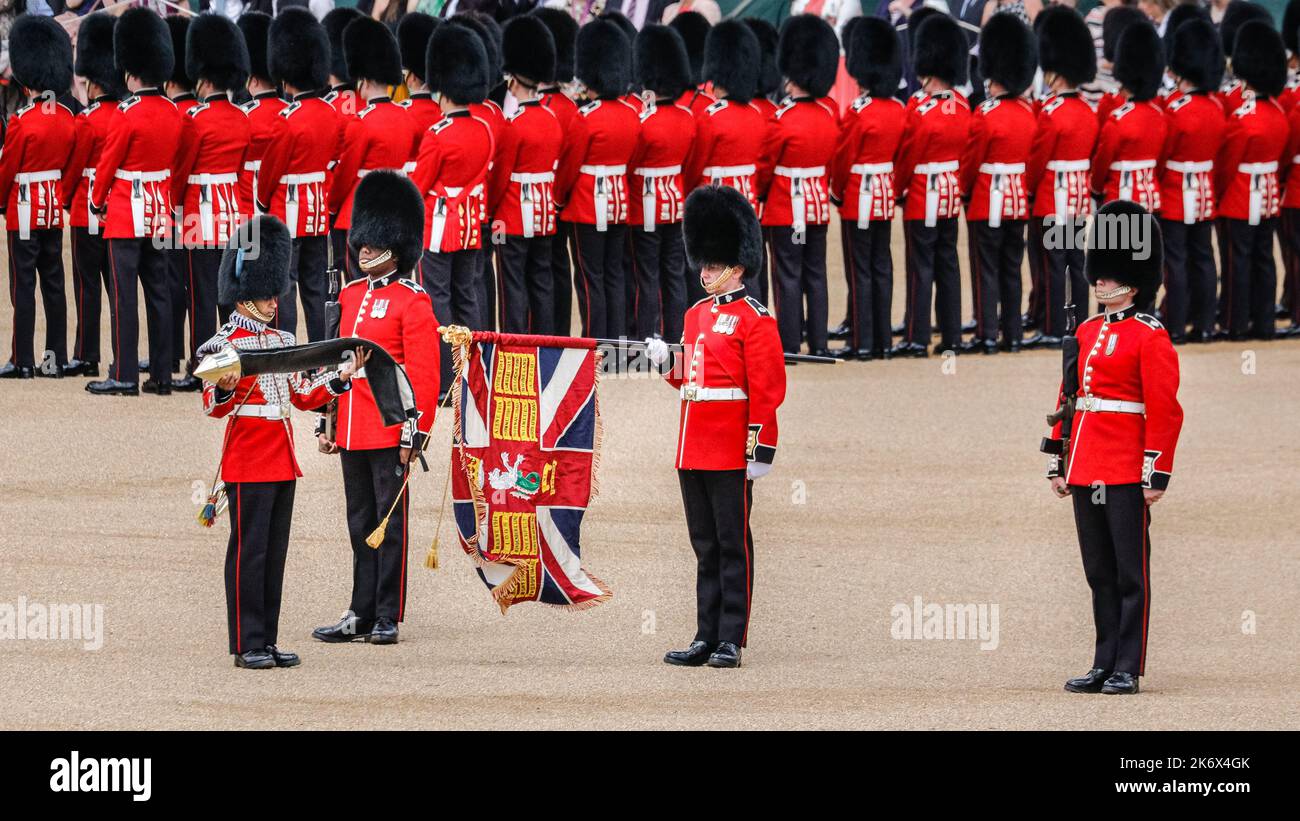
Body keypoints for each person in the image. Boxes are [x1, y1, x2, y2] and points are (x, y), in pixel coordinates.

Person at [200, 215, 360, 670]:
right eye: (268, 294)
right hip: (248, 458)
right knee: (249, 555)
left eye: (276, 293)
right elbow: (213, 406)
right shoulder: (222, 344)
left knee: (274, 555)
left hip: (282, 459)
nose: (275, 301)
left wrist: (340, 379)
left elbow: (302, 396)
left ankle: (266, 638)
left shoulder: (284, 340)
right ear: (244, 295)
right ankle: (246, 641)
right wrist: (229, 387)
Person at [1043, 199, 1183, 696]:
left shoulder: (1150, 336)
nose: (1098, 282)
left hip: (1125, 467)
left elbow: (1165, 410)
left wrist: (1155, 473)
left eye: (1107, 275)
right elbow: (1069, 399)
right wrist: (1058, 462)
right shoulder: (1084, 331)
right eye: (1097, 274)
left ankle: (1129, 664)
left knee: (1130, 574)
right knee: (1099, 573)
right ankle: (1103, 661)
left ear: (1133, 279)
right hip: (1086, 465)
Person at [646, 185, 786, 670]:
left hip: (729, 447)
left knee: (732, 544)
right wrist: (667, 361)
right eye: (702, 264)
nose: (704, 273)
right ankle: (705, 634)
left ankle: (732, 637)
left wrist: (759, 449)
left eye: (713, 265)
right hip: (693, 446)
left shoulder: (756, 320)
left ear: (737, 265)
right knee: (704, 545)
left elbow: (767, 391)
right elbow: (690, 379)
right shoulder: (694, 315)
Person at [313, 171, 439, 646]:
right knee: (359, 521)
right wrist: (326, 421)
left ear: (395, 244)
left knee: (389, 525)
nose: (363, 250)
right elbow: (335, 363)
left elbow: (424, 378)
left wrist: (414, 436)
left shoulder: (413, 302)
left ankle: (388, 613)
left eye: (373, 243)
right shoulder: (347, 296)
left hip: (389, 428)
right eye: (361, 243)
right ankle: (359, 610)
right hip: (351, 425)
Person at [86, 7, 184, 397]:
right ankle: (161, 374)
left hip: (127, 212)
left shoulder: (127, 114)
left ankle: (125, 374)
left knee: (124, 297)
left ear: (130, 71)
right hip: (159, 212)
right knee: (159, 293)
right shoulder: (173, 113)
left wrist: (96, 202)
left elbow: (108, 164)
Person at [171, 13, 253, 392]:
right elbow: (240, 172)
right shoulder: (241, 118)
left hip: (199, 217)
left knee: (201, 295)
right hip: (232, 215)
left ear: (202, 78)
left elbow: (181, 171)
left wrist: (174, 209)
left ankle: (202, 366)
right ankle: (230, 360)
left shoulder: (195, 119)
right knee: (228, 296)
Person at [411, 22, 493, 396]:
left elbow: (419, 187)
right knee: (468, 296)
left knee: (438, 298)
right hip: (470, 224)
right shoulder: (484, 130)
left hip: (441, 226)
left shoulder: (438, 134)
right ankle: (474, 375)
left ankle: (446, 379)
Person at [258, 7, 345, 345]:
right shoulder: (330, 114)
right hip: (317, 211)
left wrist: (263, 201)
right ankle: (321, 352)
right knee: (316, 287)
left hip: (287, 210)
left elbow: (271, 171)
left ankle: (288, 350)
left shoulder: (287, 118)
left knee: (286, 284)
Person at [756, 14, 840, 357]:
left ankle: (790, 343)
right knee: (815, 274)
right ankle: (818, 343)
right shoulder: (829, 115)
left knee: (787, 276)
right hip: (816, 207)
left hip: (786, 210)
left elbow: (765, 168)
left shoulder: (782, 120)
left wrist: (760, 195)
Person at [553, 17, 639, 340]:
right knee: (614, 274)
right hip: (618, 203)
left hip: (588, 204)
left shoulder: (585, 118)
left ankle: (595, 341)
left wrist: (559, 199)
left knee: (590, 278)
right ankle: (617, 341)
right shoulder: (631, 115)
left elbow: (569, 167)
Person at [891, 12, 970, 358]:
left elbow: (907, 157)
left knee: (920, 267)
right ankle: (952, 335)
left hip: (923, 195)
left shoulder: (919, 109)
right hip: (950, 196)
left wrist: (898, 190)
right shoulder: (964, 107)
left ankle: (917, 335)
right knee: (948, 264)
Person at [0, 15, 75, 381]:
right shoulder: (65, 117)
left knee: (23, 286)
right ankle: (55, 358)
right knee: (54, 285)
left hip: (25, 209)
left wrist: (1, 202)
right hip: (52, 209)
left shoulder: (22, 121)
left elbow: (7, 169)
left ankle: (23, 360)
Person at [960, 12, 1037, 356]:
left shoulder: (986, 114)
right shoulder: (1029, 113)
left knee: (986, 269)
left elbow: (971, 162)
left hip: (988, 199)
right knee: (1012, 268)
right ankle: (1014, 334)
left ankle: (987, 333)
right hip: (1018, 200)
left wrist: (964, 192)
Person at [829, 16, 905, 361]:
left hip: (859, 197)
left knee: (860, 270)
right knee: (882, 266)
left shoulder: (859, 112)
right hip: (885, 197)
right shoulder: (898, 110)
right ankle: (884, 340)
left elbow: (843, 160)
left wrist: (838, 192)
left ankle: (862, 341)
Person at [1023, 5, 1098, 350]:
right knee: (1076, 261)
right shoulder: (1087, 110)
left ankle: (1054, 327)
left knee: (1054, 264)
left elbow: (1037, 161)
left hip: (1053, 194)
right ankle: (1078, 322)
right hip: (1079, 195)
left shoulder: (1051, 114)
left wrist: (1027, 190)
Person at [489, 14, 564, 335]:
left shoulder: (514, 125)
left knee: (512, 284)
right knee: (541, 280)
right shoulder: (552, 119)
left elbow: (500, 179)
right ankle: (544, 342)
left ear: (513, 81)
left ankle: (515, 342)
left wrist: (490, 212)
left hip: (512, 217)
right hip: (544, 214)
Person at [328, 15, 420, 278]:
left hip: (359, 211)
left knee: (359, 285)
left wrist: (332, 205)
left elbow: (346, 173)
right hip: (396, 209)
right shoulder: (406, 117)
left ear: (364, 81)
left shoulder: (361, 122)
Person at [1215, 21, 1288, 341]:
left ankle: (1236, 323)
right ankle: (1265, 322)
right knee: (1265, 260)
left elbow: (1227, 166)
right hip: (1270, 195)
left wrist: (1218, 195)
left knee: (1237, 263)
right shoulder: (1278, 113)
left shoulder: (1243, 119)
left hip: (1241, 196)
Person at [61, 12, 123, 380]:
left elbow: (73, 167)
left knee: (87, 287)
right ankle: (121, 356)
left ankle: (87, 354)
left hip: (87, 210)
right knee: (116, 290)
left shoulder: (87, 120)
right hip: (117, 210)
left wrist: (67, 199)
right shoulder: (124, 115)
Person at [1089, 18, 1166, 308]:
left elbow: (1101, 165)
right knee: (1143, 265)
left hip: (1118, 199)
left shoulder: (1117, 121)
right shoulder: (1159, 117)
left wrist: (1096, 191)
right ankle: (1146, 313)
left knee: (1111, 268)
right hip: (1150, 197)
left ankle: (1109, 317)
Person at [626, 24, 695, 345]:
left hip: (646, 205)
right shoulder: (687, 119)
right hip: (676, 202)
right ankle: (675, 334)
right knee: (674, 272)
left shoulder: (644, 122)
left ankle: (647, 336)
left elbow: (630, 166)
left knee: (647, 275)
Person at [1158, 19, 1225, 345]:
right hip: (1204, 192)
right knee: (1203, 257)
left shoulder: (1174, 108)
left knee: (1177, 261)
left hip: (1175, 191)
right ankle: (1205, 323)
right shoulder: (1216, 107)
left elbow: (1162, 153)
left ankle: (1175, 323)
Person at [236, 12, 290, 329]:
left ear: (252, 79)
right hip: (287, 206)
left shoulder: (246, 115)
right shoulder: (288, 113)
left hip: (250, 209)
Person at [533, 6, 580, 335]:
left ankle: (547, 333)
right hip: (562, 200)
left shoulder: (545, 110)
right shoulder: (570, 108)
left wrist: (555, 198)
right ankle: (561, 331)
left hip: (540, 201)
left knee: (541, 271)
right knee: (559, 267)